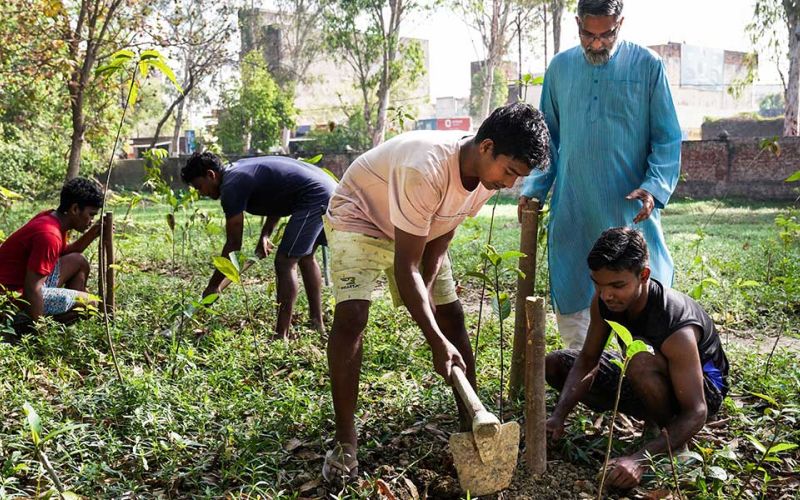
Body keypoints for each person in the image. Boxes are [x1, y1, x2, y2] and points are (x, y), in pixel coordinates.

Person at [321, 103, 551, 483]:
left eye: (519, 178)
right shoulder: (425, 168)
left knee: (452, 315)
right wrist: (434, 341)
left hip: (415, 226)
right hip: (359, 214)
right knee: (353, 316)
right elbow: (405, 267)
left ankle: (475, 422)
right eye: (510, 172)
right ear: (487, 147)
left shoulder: (486, 178)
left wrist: (430, 313)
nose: (510, 184)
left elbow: (439, 238)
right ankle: (346, 441)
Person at [518, 0, 682, 349]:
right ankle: (581, 370)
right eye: (587, 34)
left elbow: (667, 137)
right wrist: (534, 187)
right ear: (577, 22)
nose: (595, 43)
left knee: (634, 289)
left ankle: (637, 372)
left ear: (620, 23)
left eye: (605, 34)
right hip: (573, 207)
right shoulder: (560, 68)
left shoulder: (648, 66)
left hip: (627, 209)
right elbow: (549, 137)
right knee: (573, 282)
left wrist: (654, 187)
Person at [545, 227, 729, 489]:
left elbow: (697, 410)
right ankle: (654, 418)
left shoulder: (675, 323)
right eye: (598, 284)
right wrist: (558, 416)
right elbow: (587, 360)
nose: (606, 294)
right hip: (646, 376)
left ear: (643, 275)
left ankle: (674, 444)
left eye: (617, 285)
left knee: (640, 359)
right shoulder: (604, 300)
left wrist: (639, 460)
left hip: (700, 393)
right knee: (556, 364)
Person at [181, 152, 336, 338]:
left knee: (285, 262)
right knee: (306, 256)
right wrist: (265, 234)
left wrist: (213, 285)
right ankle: (316, 323)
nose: (201, 193)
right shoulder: (238, 172)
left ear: (210, 175)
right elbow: (279, 196)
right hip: (327, 189)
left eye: (199, 187)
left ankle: (281, 336)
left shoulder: (231, 186)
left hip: (315, 196)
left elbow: (233, 244)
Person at [0, 178, 104, 326]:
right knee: (91, 304)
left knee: (78, 261)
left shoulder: (51, 218)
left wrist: (93, 233)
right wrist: (40, 330)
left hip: (23, 284)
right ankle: (27, 326)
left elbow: (64, 252)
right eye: (91, 214)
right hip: (12, 297)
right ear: (75, 209)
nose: (91, 220)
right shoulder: (49, 234)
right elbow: (32, 288)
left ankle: (62, 314)